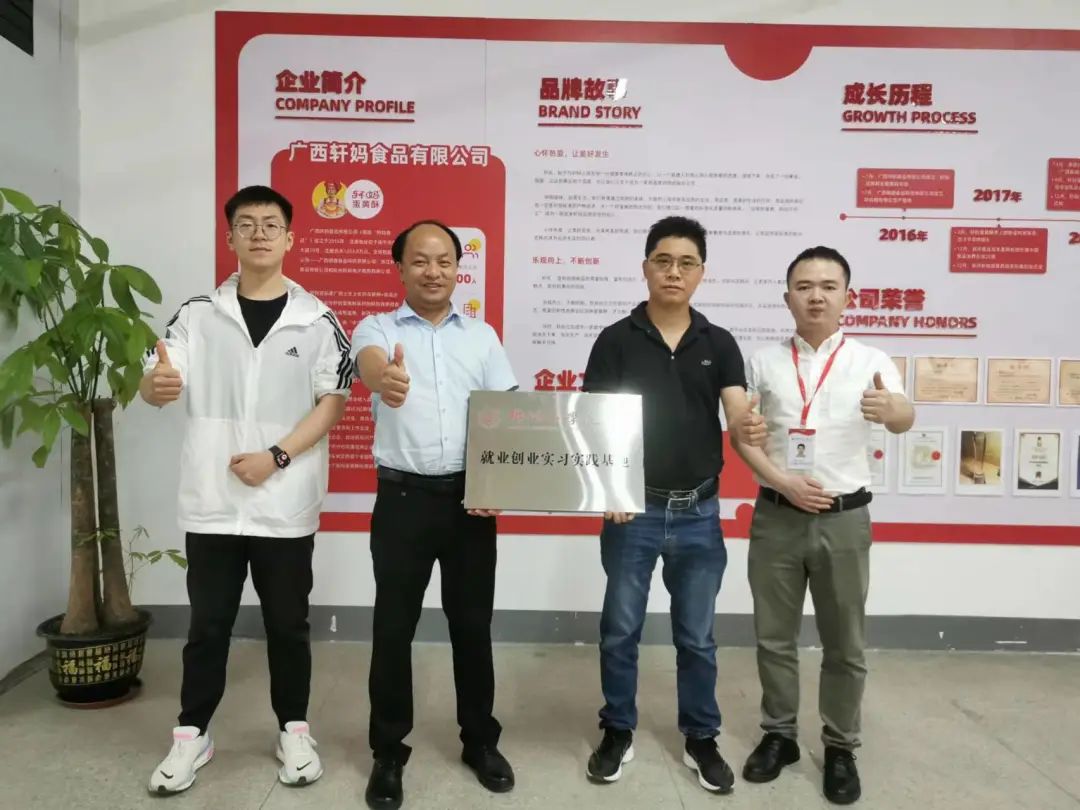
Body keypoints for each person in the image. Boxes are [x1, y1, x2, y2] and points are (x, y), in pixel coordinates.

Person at [140, 185, 352, 794]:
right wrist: (154, 387)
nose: (259, 234)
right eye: (247, 224)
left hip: (285, 500)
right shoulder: (197, 314)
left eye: (271, 224)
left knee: (288, 624)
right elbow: (160, 374)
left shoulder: (318, 319)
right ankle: (192, 733)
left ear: (290, 238)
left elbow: (333, 400)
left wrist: (276, 457)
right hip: (214, 502)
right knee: (209, 624)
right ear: (230, 236)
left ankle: (294, 729)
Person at [581, 216, 757, 794]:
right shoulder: (616, 339)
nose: (673, 272)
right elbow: (594, 423)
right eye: (663, 260)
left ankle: (701, 736)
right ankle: (617, 729)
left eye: (686, 263)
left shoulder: (719, 342)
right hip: (634, 511)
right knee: (619, 629)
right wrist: (612, 489)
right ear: (645, 268)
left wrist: (750, 422)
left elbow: (737, 412)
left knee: (697, 637)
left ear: (701, 272)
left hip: (699, 513)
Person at [732, 246, 914, 805]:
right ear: (787, 296)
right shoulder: (762, 362)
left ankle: (840, 746)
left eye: (828, 286)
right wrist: (778, 475)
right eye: (804, 286)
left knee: (845, 643)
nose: (816, 296)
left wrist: (893, 412)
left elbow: (904, 416)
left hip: (844, 519)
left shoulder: (871, 359)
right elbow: (743, 435)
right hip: (777, 516)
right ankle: (779, 735)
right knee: (773, 637)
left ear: (847, 297)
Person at [351, 220, 518, 810]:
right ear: (400, 268)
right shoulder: (376, 328)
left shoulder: (482, 337)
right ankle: (388, 752)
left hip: (470, 503)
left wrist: (496, 480)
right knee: (393, 628)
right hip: (403, 502)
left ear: (457, 269)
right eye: (420, 260)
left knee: (472, 626)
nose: (433, 271)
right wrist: (387, 379)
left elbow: (505, 415)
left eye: (444, 260)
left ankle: (480, 741)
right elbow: (370, 366)